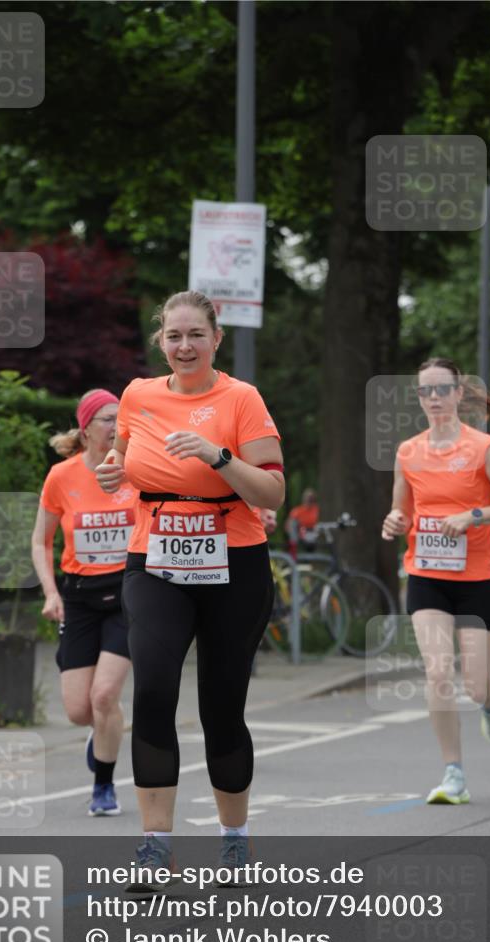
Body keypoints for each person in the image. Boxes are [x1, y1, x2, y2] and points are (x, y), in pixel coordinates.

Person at [95, 290, 284, 883]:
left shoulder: (241, 399)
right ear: (160, 342)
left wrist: (217, 454)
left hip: (235, 563)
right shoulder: (138, 395)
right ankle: (155, 845)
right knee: (152, 693)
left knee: (221, 709)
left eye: (195, 335)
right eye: (173, 336)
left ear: (216, 339)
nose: (184, 346)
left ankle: (234, 839)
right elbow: (123, 463)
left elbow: (272, 492)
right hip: (155, 561)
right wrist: (111, 473)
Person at [382, 358, 490, 805]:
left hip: (478, 579)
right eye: (425, 392)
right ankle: (454, 774)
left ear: (457, 394)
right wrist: (393, 522)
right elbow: (402, 512)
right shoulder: (408, 451)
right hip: (427, 574)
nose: (433, 399)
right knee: (436, 671)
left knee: (475, 684)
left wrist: (472, 516)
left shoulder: (483, 447)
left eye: (441, 390)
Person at [31, 389, 135, 817]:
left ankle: (103, 788)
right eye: (108, 419)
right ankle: (104, 726)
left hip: (129, 594)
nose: (116, 427)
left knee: (105, 694)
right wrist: (51, 592)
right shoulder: (62, 476)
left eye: (120, 419)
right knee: (79, 710)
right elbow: (40, 540)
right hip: (79, 597)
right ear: (87, 427)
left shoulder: (135, 471)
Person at [285, 488, 319, 559]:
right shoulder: (297, 511)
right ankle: (293, 552)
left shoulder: (316, 509)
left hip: (313, 533)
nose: (310, 500)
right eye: (308, 498)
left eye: (311, 498)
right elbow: (288, 525)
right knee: (293, 523)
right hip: (300, 533)